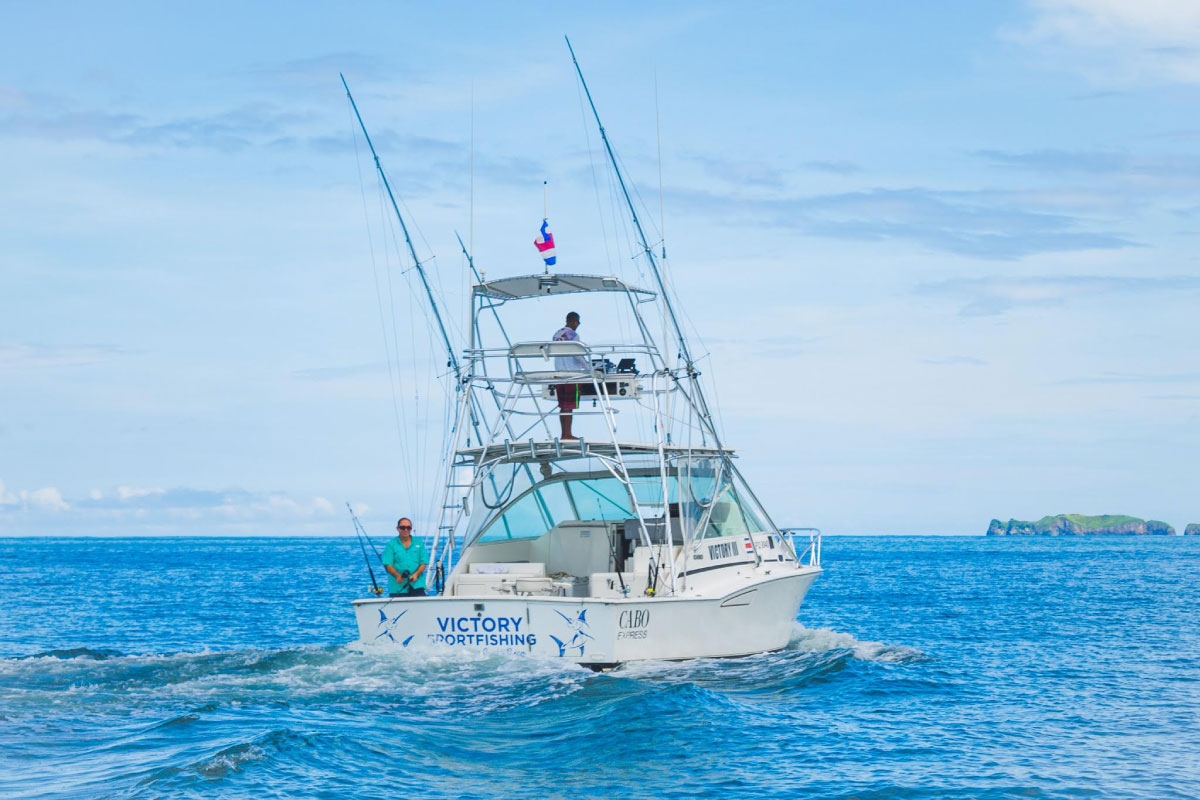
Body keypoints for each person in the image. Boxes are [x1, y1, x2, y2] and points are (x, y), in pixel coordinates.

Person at [552, 311, 589, 440]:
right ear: (574, 321)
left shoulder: (556, 334)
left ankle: (564, 434)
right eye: (578, 322)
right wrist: (588, 368)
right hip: (571, 374)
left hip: (559, 374)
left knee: (563, 406)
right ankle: (567, 434)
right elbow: (577, 355)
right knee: (569, 406)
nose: (578, 325)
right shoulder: (574, 335)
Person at [382, 517, 428, 597]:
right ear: (397, 529)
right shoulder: (391, 545)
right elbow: (388, 564)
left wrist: (416, 574)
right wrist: (397, 576)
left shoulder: (419, 543)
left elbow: (423, 562)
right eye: (402, 527)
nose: (405, 530)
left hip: (417, 584)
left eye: (408, 527)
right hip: (398, 586)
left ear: (411, 529)